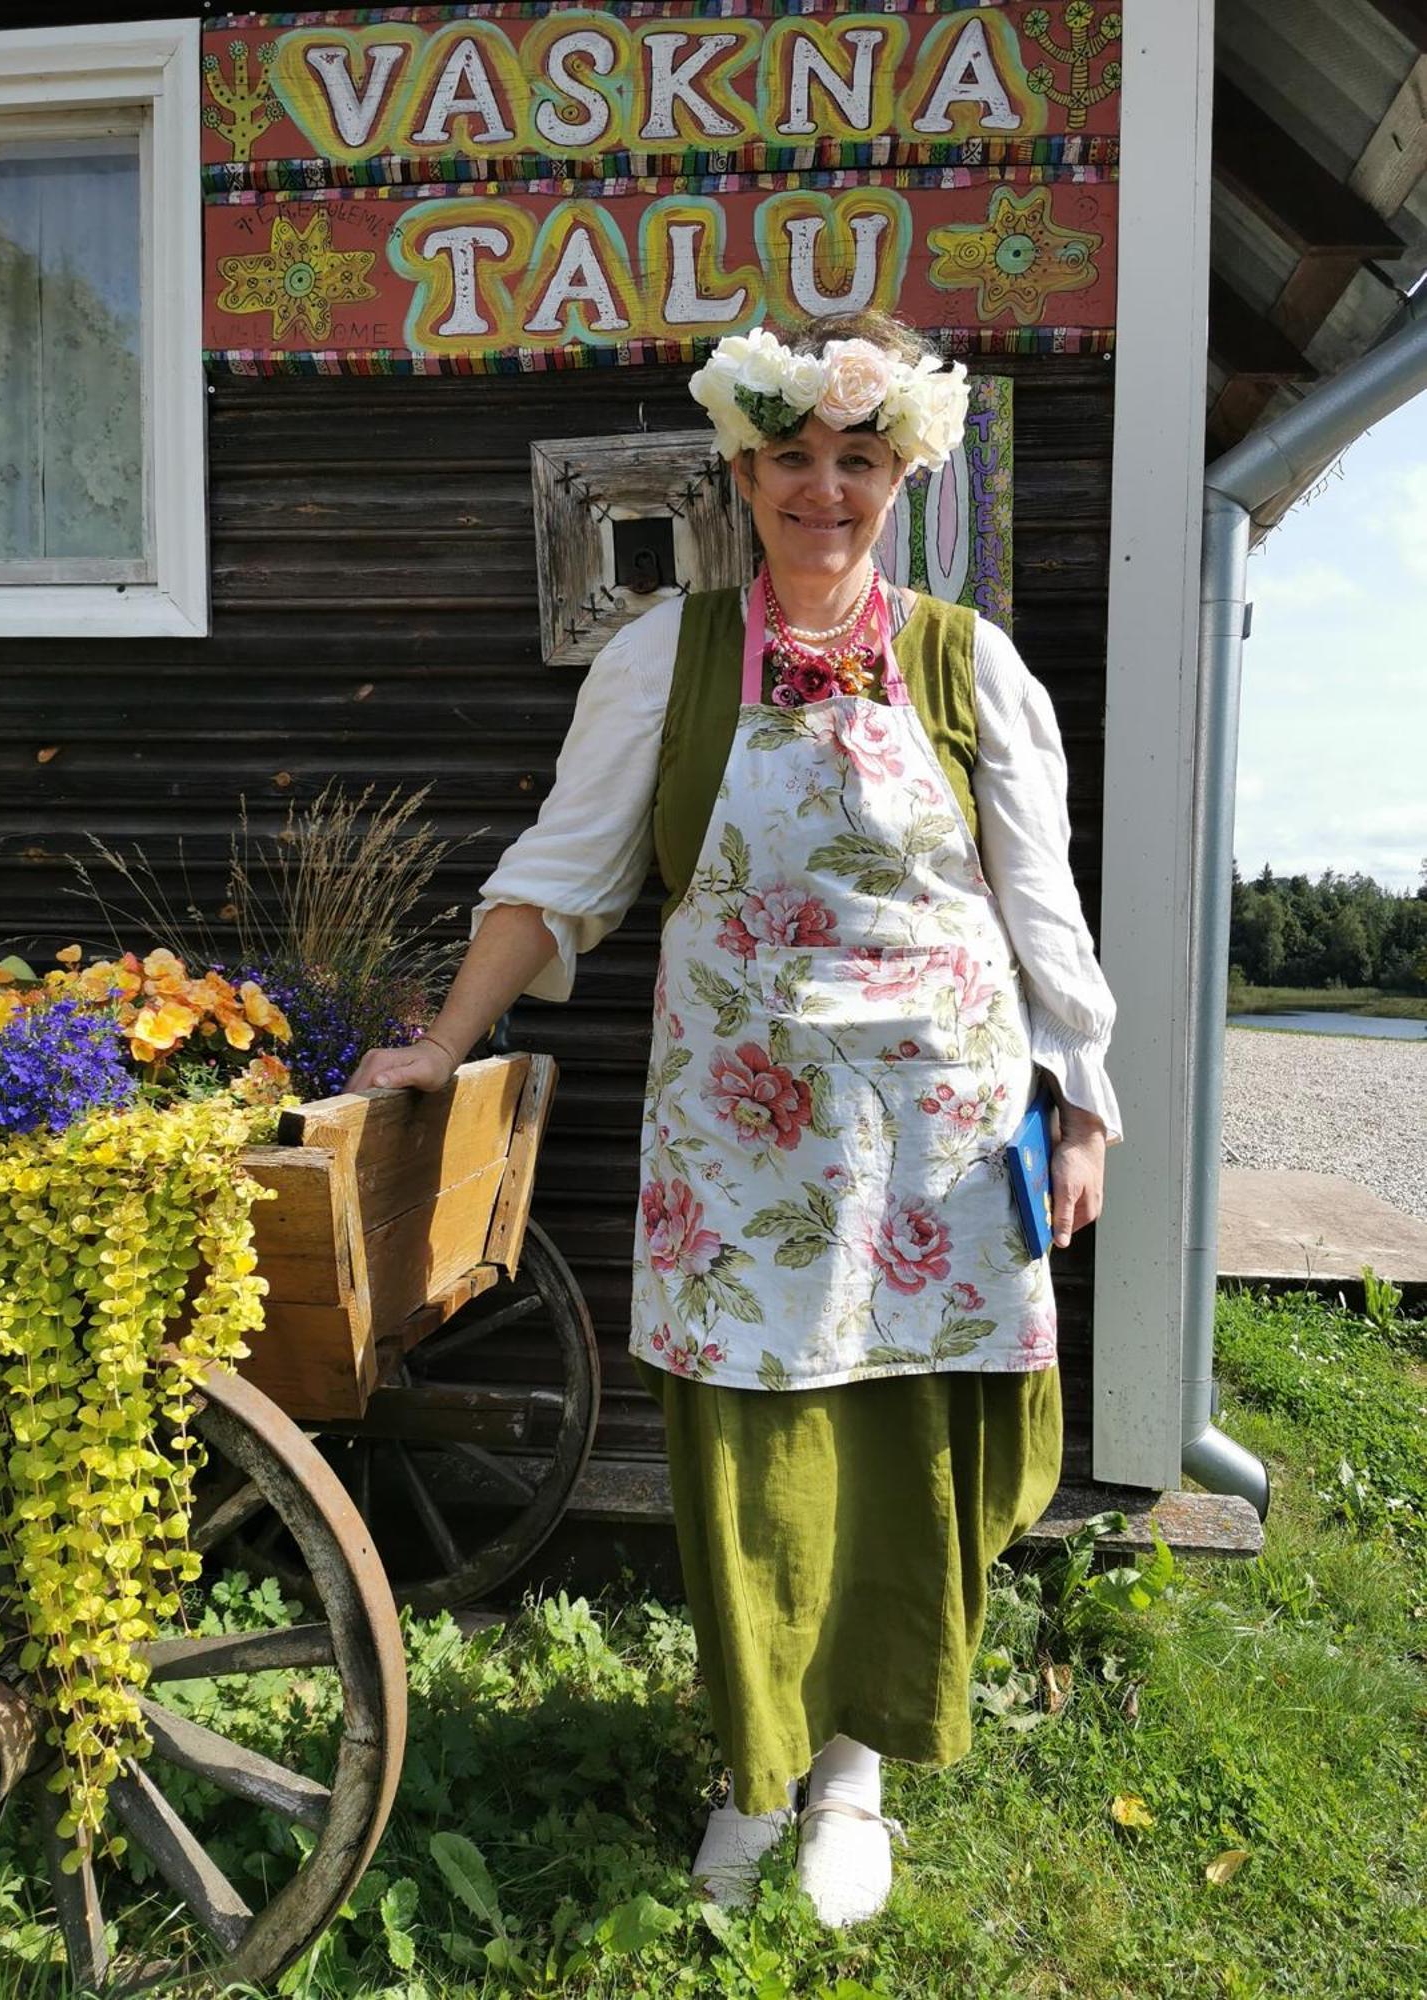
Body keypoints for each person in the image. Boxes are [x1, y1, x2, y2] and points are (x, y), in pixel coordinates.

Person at [348, 311, 1121, 1928]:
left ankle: (855, 1767)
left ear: (901, 474)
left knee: (915, 1446)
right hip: (744, 1131)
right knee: (759, 1447)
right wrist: (441, 1040)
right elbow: (566, 870)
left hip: (945, 1126)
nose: (821, 489)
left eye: (857, 458)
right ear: (742, 468)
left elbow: (1040, 912)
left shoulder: (967, 662)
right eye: (792, 457)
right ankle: (757, 1771)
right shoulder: (667, 656)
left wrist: (1085, 1105)